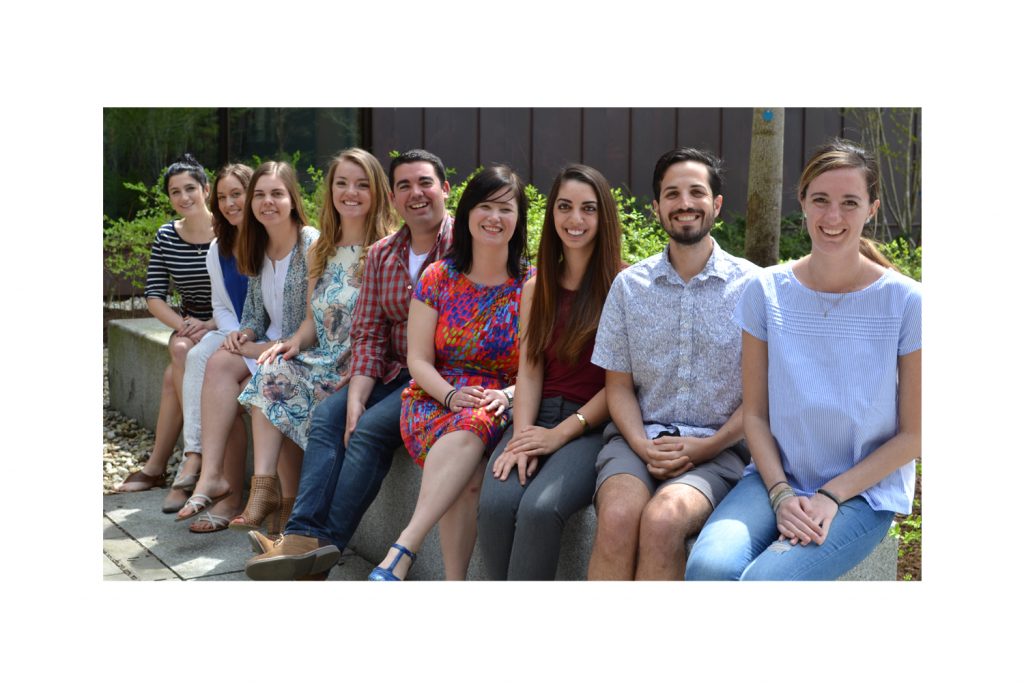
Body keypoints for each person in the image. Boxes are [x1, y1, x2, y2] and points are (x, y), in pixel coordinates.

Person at [685, 140, 921, 580]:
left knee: (765, 582)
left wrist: (831, 496)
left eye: (850, 202)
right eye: (821, 200)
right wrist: (778, 492)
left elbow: (915, 434)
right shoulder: (766, 291)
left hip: (861, 495)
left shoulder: (907, 302)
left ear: (872, 208)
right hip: (775, 478)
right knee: (707, 568)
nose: (833, 217)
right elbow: (755, 415)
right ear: (802, 201)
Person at [245, 149, 454, 581]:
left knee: (368, 431)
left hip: (437, 373)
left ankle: (322, 546)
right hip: (384, 369)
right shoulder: (385, 252)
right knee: (328, 418)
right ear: (394, 196)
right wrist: (356, 391)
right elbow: (371, 332)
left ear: (445, 189)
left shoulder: (460, 246)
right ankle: (301, 536)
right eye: (405, 186)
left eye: (425, 183)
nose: (416, 194)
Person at [587, 148, 759, 580]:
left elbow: (762, 394)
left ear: (716, 204)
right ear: (656, 207)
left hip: (718, 450)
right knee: (618, 517)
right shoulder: (629, 286)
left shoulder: (753, 287)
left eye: (696, 192)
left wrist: (709, 445)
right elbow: (619, 386)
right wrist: (642, 446)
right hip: (635, 441)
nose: (684, 203)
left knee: (664, 520)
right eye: (672, 194)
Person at [368, 164, 531, 581]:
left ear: (519, 220)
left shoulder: (530, 284)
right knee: (469, 466)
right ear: (468, 212)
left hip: (497, 402)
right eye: (485, 206)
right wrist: (450, 396)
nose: (494, 218)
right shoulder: (439, 276)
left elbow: (535, 365)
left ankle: (405, 550)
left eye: (506, 209)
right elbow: (417, 358)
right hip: (434, 397)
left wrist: (508, 396)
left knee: (474, 456)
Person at [234, 149, 395, 536]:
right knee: (272, 371)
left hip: (361, 369)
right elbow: (311, 320)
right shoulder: (320, 248)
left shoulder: (388, 249)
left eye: (361, 185)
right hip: (323, 356)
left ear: (376, 192)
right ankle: (262, 490)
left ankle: (294, 517)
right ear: (330, 190)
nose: (350, 192)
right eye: (341, 183)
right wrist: (290, 343)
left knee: (288, 392)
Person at [477, 164, 623, 580]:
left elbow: (622, 386)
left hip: (591, 424)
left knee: (540, 510)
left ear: (604, 216)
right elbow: (530, 369)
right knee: (495, 505)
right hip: (536, 413)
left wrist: (558, 435)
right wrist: (522, 437)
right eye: (564, 207)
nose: (575, 220)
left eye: (588, 209)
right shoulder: (535, 287)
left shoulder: (624, 285)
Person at [176, 161, 319, 530]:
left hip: (300, 350)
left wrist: (262, 347)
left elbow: (314, 322)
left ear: (292, 199)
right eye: (260, 194)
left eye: (276, 193)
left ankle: (278, 499)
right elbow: (254, 314)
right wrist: (246, 334)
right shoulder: (257, 244)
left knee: (261, 390)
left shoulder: (310, 243)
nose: (266, 202)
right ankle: (212, 475)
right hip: (267, 346)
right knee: (220, 362)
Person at [116, 153, 214, 514]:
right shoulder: (166, 235)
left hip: (227, 323)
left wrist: (211, 325)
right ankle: (182, 464)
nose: (184, 197)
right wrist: (184, 325)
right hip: (188, 324)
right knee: (181, 352)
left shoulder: (230, 229)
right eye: (175, 192)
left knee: (175, 374)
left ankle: (171, 465)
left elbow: (245, 294)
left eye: (191, 188)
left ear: (205, 189)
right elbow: (154, 295)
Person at [175, 163, 254, 532]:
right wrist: (232, 332)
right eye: (222, 197)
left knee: (231, 394)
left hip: (261, 341)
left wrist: (242, 337)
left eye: (236, 194)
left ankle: (224, 488)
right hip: (235, 336)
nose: (228, 203)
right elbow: (221, 305)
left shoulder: (271, 237)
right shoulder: (217, 248)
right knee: (195, 356)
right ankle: (197, 459)